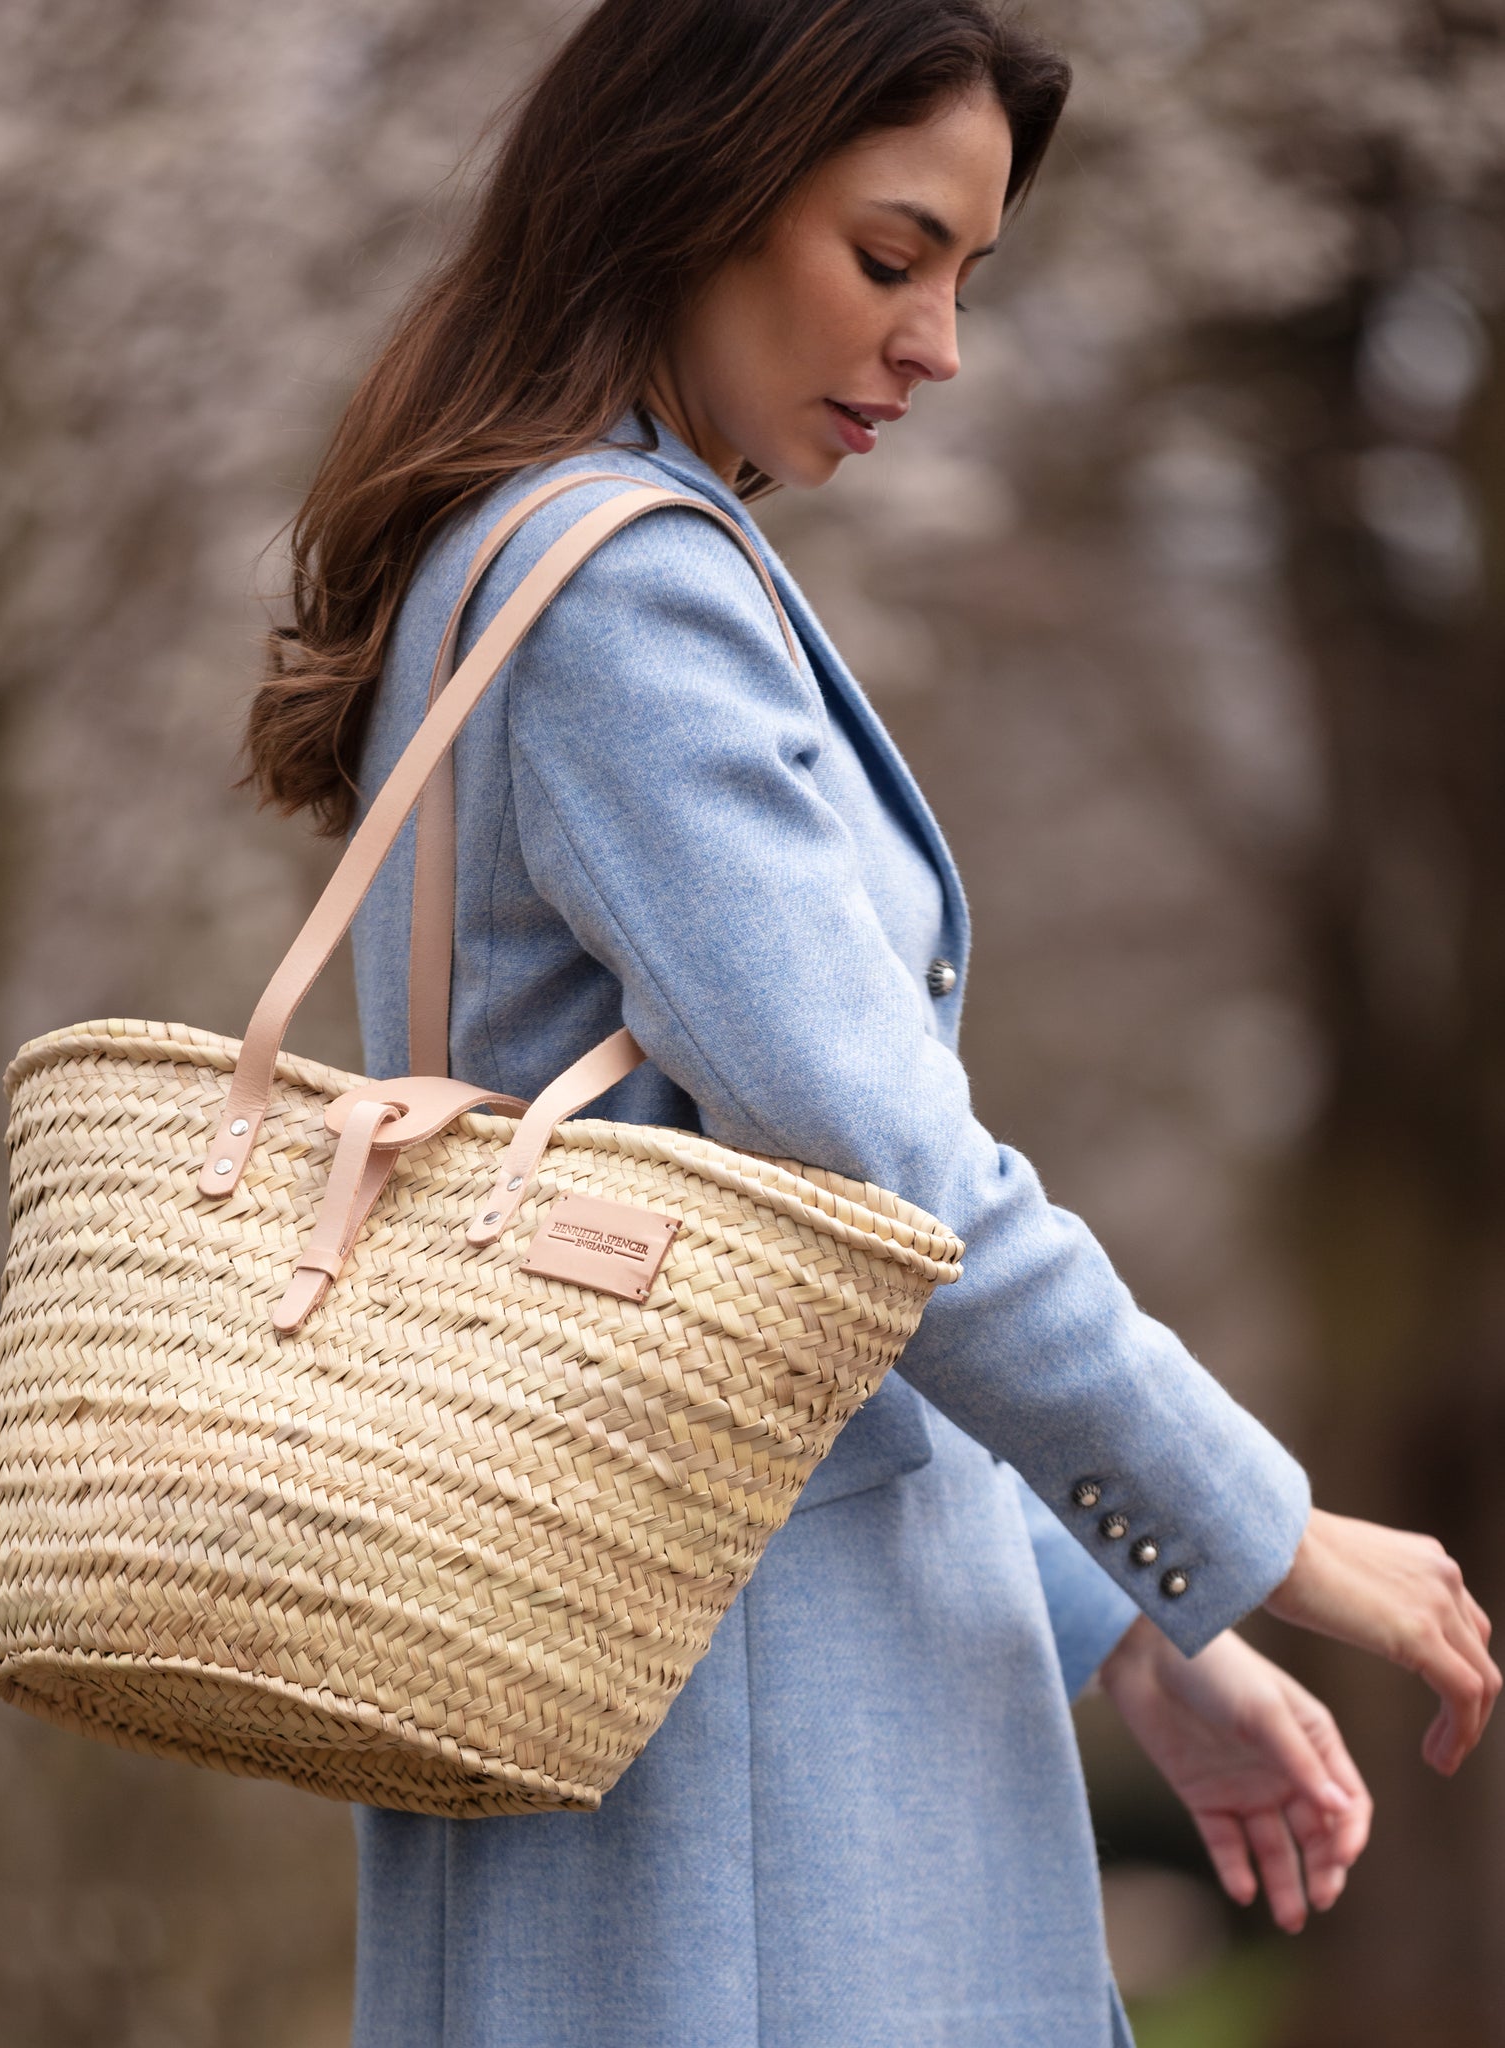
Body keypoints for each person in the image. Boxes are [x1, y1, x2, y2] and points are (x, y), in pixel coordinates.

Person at [244, 2, 1499, 2041]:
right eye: (889, 256)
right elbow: (878, 1174)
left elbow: (750, 1253)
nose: (937, 345)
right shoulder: (620, 598)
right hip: (733, 1755)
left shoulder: (538, 558)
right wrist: (1256, 1533)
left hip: (674, 1693)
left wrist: (1119, 1621)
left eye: (964, 280)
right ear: (692, 191)